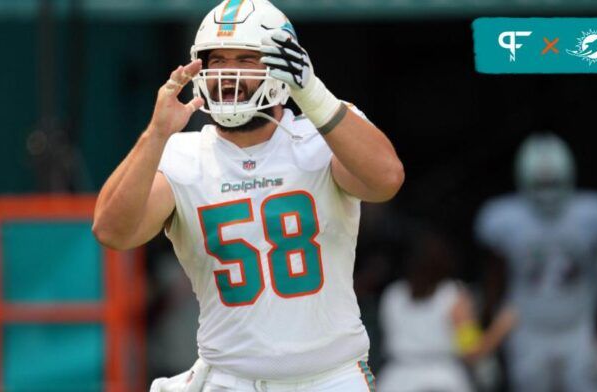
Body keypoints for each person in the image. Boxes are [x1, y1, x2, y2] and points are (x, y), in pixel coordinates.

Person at [92, 0, 405, 390]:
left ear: (283, 64)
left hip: (330, 377)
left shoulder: (321, 135)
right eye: (217, 59)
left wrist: (314, 95)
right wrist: (156, 134)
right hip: (229, 379)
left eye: (245, 58)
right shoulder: (182, 154)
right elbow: (112, 232)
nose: (227, 72)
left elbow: (385, 180)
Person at [474, 132, 597, 392]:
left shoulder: (592, 213)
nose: (547, 192)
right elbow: (494, 279)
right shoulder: (504, 219)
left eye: (552, 182)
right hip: (527, 327)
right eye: (540, 183)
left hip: (579, 326)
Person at [377, 229, 514, 392]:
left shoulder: (392, 294)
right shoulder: (452, 296)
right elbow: (472, 352)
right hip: (442, 380)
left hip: (395, 380)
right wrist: (501, 327)